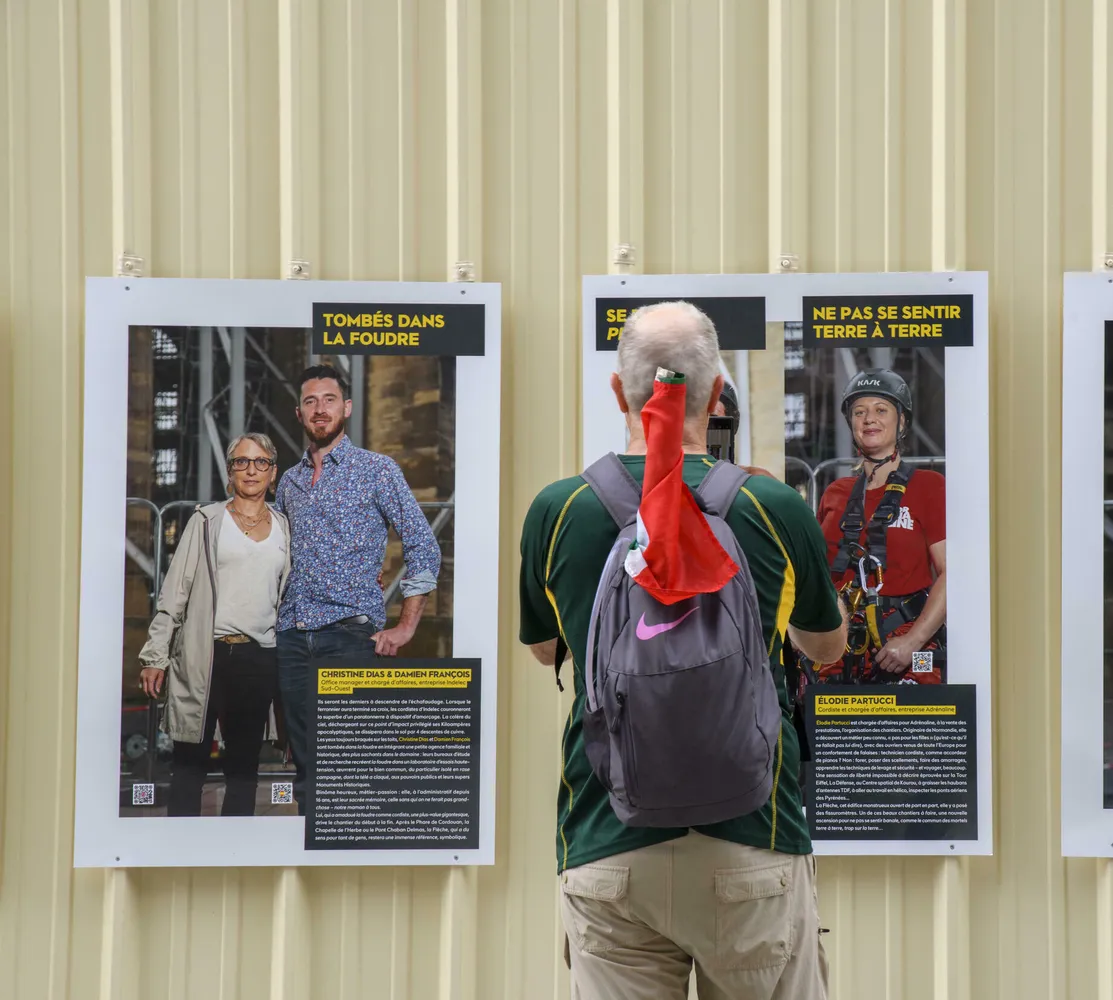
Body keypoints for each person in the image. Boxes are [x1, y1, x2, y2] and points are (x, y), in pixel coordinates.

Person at [519, 301, 847, 999]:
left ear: (620, 394)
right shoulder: (771, 506)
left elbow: (547, 651)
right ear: (718, 396)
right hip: (752, 838)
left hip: (608, 838)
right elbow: (825, 646)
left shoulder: (559, 509)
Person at [273, 363, 441, 814]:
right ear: (299, 413)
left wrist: (406, 626)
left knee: (352, 765)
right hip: (292, 635)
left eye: (329, 399)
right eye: (310, 402)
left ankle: (356, 858)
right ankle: (312, 857)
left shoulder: (376, 470)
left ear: (346, 408)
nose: (319, 409)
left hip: (348, 633)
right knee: (305, 767)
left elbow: (423, 544)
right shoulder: (287, 483)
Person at [138, 433, 291, 816]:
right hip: (205, 655)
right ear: (230, 471)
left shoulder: (286, 528)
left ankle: (234, 856)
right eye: (241, 461)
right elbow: (174, 593)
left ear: (273, 472)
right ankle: (180, 856)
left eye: (260, 462)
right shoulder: (206, 521)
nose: (251, 470)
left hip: (259, 658)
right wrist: (155, 655)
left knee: (243, 769)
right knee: (190, 765)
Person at [811, 368, 948, 685]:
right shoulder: (836, 493)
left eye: (880, 410)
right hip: (839, 650)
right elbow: (817, 577)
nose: (869, 419)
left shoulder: (928, 487)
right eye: (859, 412)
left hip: (907, 645)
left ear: (901, 422)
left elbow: (951, 575)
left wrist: (912, 642)